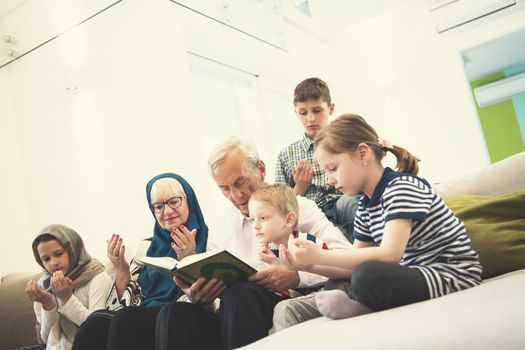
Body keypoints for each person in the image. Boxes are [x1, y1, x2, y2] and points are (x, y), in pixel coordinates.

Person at [284, 113, 483, 320]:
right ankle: (366, 305)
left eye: (333, 169)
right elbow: (353, 265)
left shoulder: (400, 188)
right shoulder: (364, 207)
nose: (330, 180)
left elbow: (390, 255)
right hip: (415, 273)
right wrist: (306, 265)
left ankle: (366, 308)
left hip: (450, 274)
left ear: (363, 154)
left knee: (368, 276)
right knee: (338, 283)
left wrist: (320, 255)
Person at [171, 137, 351, 349]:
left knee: (240, 294)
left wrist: (296, 277)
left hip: (278, 304)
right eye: (224, 189)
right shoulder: (221, 228)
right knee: (173, 313)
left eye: (240, 182)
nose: (236, 196)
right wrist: (203, 298)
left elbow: (344, 256)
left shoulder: (297, 208)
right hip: (233, 312)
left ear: (261, 169)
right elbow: (219, 301)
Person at [72, 173, 221, 350]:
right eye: (158, 207)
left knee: (129, 318)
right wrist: (121, 268)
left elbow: (215, 302)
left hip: (188, 316)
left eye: (173, 202)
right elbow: (125, 303)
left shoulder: (210, 241)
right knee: (94, 324)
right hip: (143, 313)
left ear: (188, 200)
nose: (166, 212)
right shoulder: (144, 249)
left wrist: (189, 260)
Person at [274, 77, 359, 238]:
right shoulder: (286, 155)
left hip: (344, 202)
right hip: (311, 216)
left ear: (331, 108)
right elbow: (280, 209)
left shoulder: (347, 141)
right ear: (296, 113)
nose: (310, 119)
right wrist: (300, 187)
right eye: (303, 113)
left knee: (354, 205)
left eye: (317, 110)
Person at [26, 224, 112, 350]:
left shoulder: (97, 276)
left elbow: (98, 329)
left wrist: (66, 298)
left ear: (73, 249)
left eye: (58, 254)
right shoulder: (43, 286)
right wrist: (48, 304)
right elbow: (44, 339)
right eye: (46, 259)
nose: (53, 263)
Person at [249, 183, 330, 298]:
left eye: (263, 218)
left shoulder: (307, 243)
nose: (255, 226)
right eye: (252, 219)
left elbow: (330, 271)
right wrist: (272, 264)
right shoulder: (265, 252)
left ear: (288, 220)